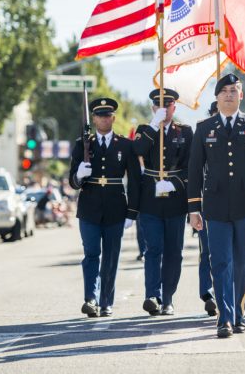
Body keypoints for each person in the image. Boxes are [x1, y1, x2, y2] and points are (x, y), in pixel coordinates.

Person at [188, 73, 245, 338]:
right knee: (220, 262)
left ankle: (238, 313)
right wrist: (194, 208)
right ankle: (224, 318)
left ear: (241, 95)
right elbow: (193, 170)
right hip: (214, 206)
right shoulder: (204, 127)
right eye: (224, 91)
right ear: (216, 97)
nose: (228, 95)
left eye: (233, 91)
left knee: (241, 263)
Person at [69, 97, 140, 318]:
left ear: (113, 118)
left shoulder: (125, 145)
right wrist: (79, 175)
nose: (104, 119)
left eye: (107, 115)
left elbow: (136, 181)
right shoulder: (82, 144)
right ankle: (91, 298)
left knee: (111, 257)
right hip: (89, 207)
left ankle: (106, 301)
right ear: (93, 118)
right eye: (99, 115)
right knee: (91, 254)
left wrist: (132, 212)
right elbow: (72, 181)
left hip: (115, 207)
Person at [131, 88, 193, 316]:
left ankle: (168, 298)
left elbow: (191, 166)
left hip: (175, 200)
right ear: (153, 108)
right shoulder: (144, 130)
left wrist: (175, 183)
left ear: (174, 108)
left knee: (174, 251)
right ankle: (152, 295)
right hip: (150, 199)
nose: (163, 109)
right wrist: (153, 124)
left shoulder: (185, 132)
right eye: (158, 106)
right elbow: (137, 150)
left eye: (167, 106)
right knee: (153, 249)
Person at [197, 101, 218, 317]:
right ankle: (208, 294)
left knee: (230, 254)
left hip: (233, 204)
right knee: (208, 252)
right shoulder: (202, 136)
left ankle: (225, 294)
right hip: (206, 204)